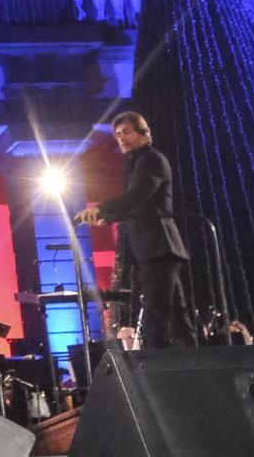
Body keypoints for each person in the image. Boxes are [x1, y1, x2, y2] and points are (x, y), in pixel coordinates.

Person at [74, 112, 194, 349]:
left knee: (155, 315)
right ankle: (195, 364)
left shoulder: (151, 159)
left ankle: (156, 371)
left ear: (144, 133)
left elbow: (139, 195)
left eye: (127, 132)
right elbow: (137, 204)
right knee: (176, 316)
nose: (121, 138)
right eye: (117, 134)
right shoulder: (137, 163)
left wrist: (101, 209)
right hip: (154, 249)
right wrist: (106, 218)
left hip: (159, 246)